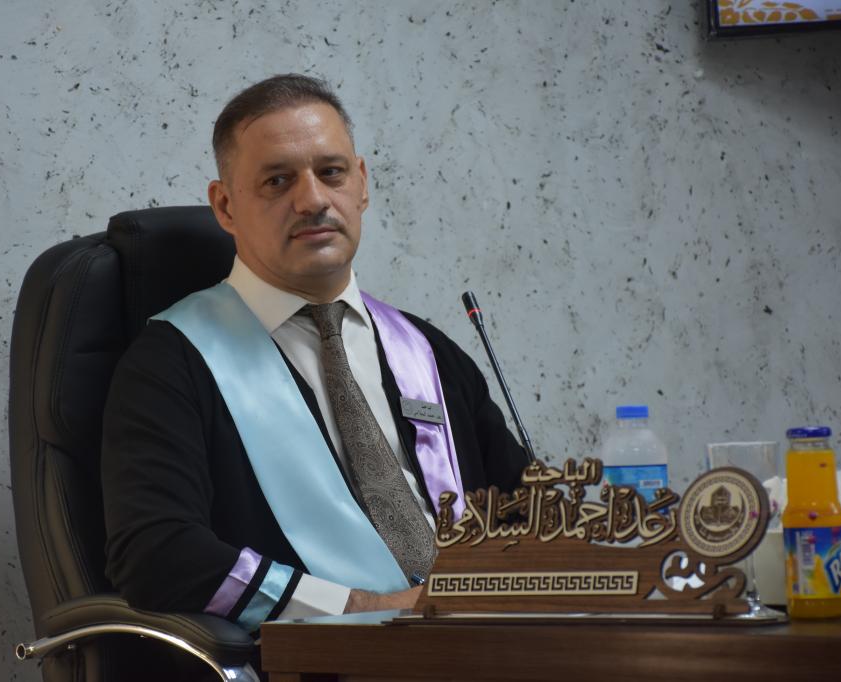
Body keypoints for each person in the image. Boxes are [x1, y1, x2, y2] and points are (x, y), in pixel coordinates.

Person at [100, 74, 528, 634]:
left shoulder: (428, 352)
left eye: (331, 172)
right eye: (277, 181)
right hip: (319, 660)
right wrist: (365, 607)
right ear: (225, 206)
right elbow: (156, 552)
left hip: (488, 645)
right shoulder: (171, 365)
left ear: (362, 184)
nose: (313, 200)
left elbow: (525, 513)